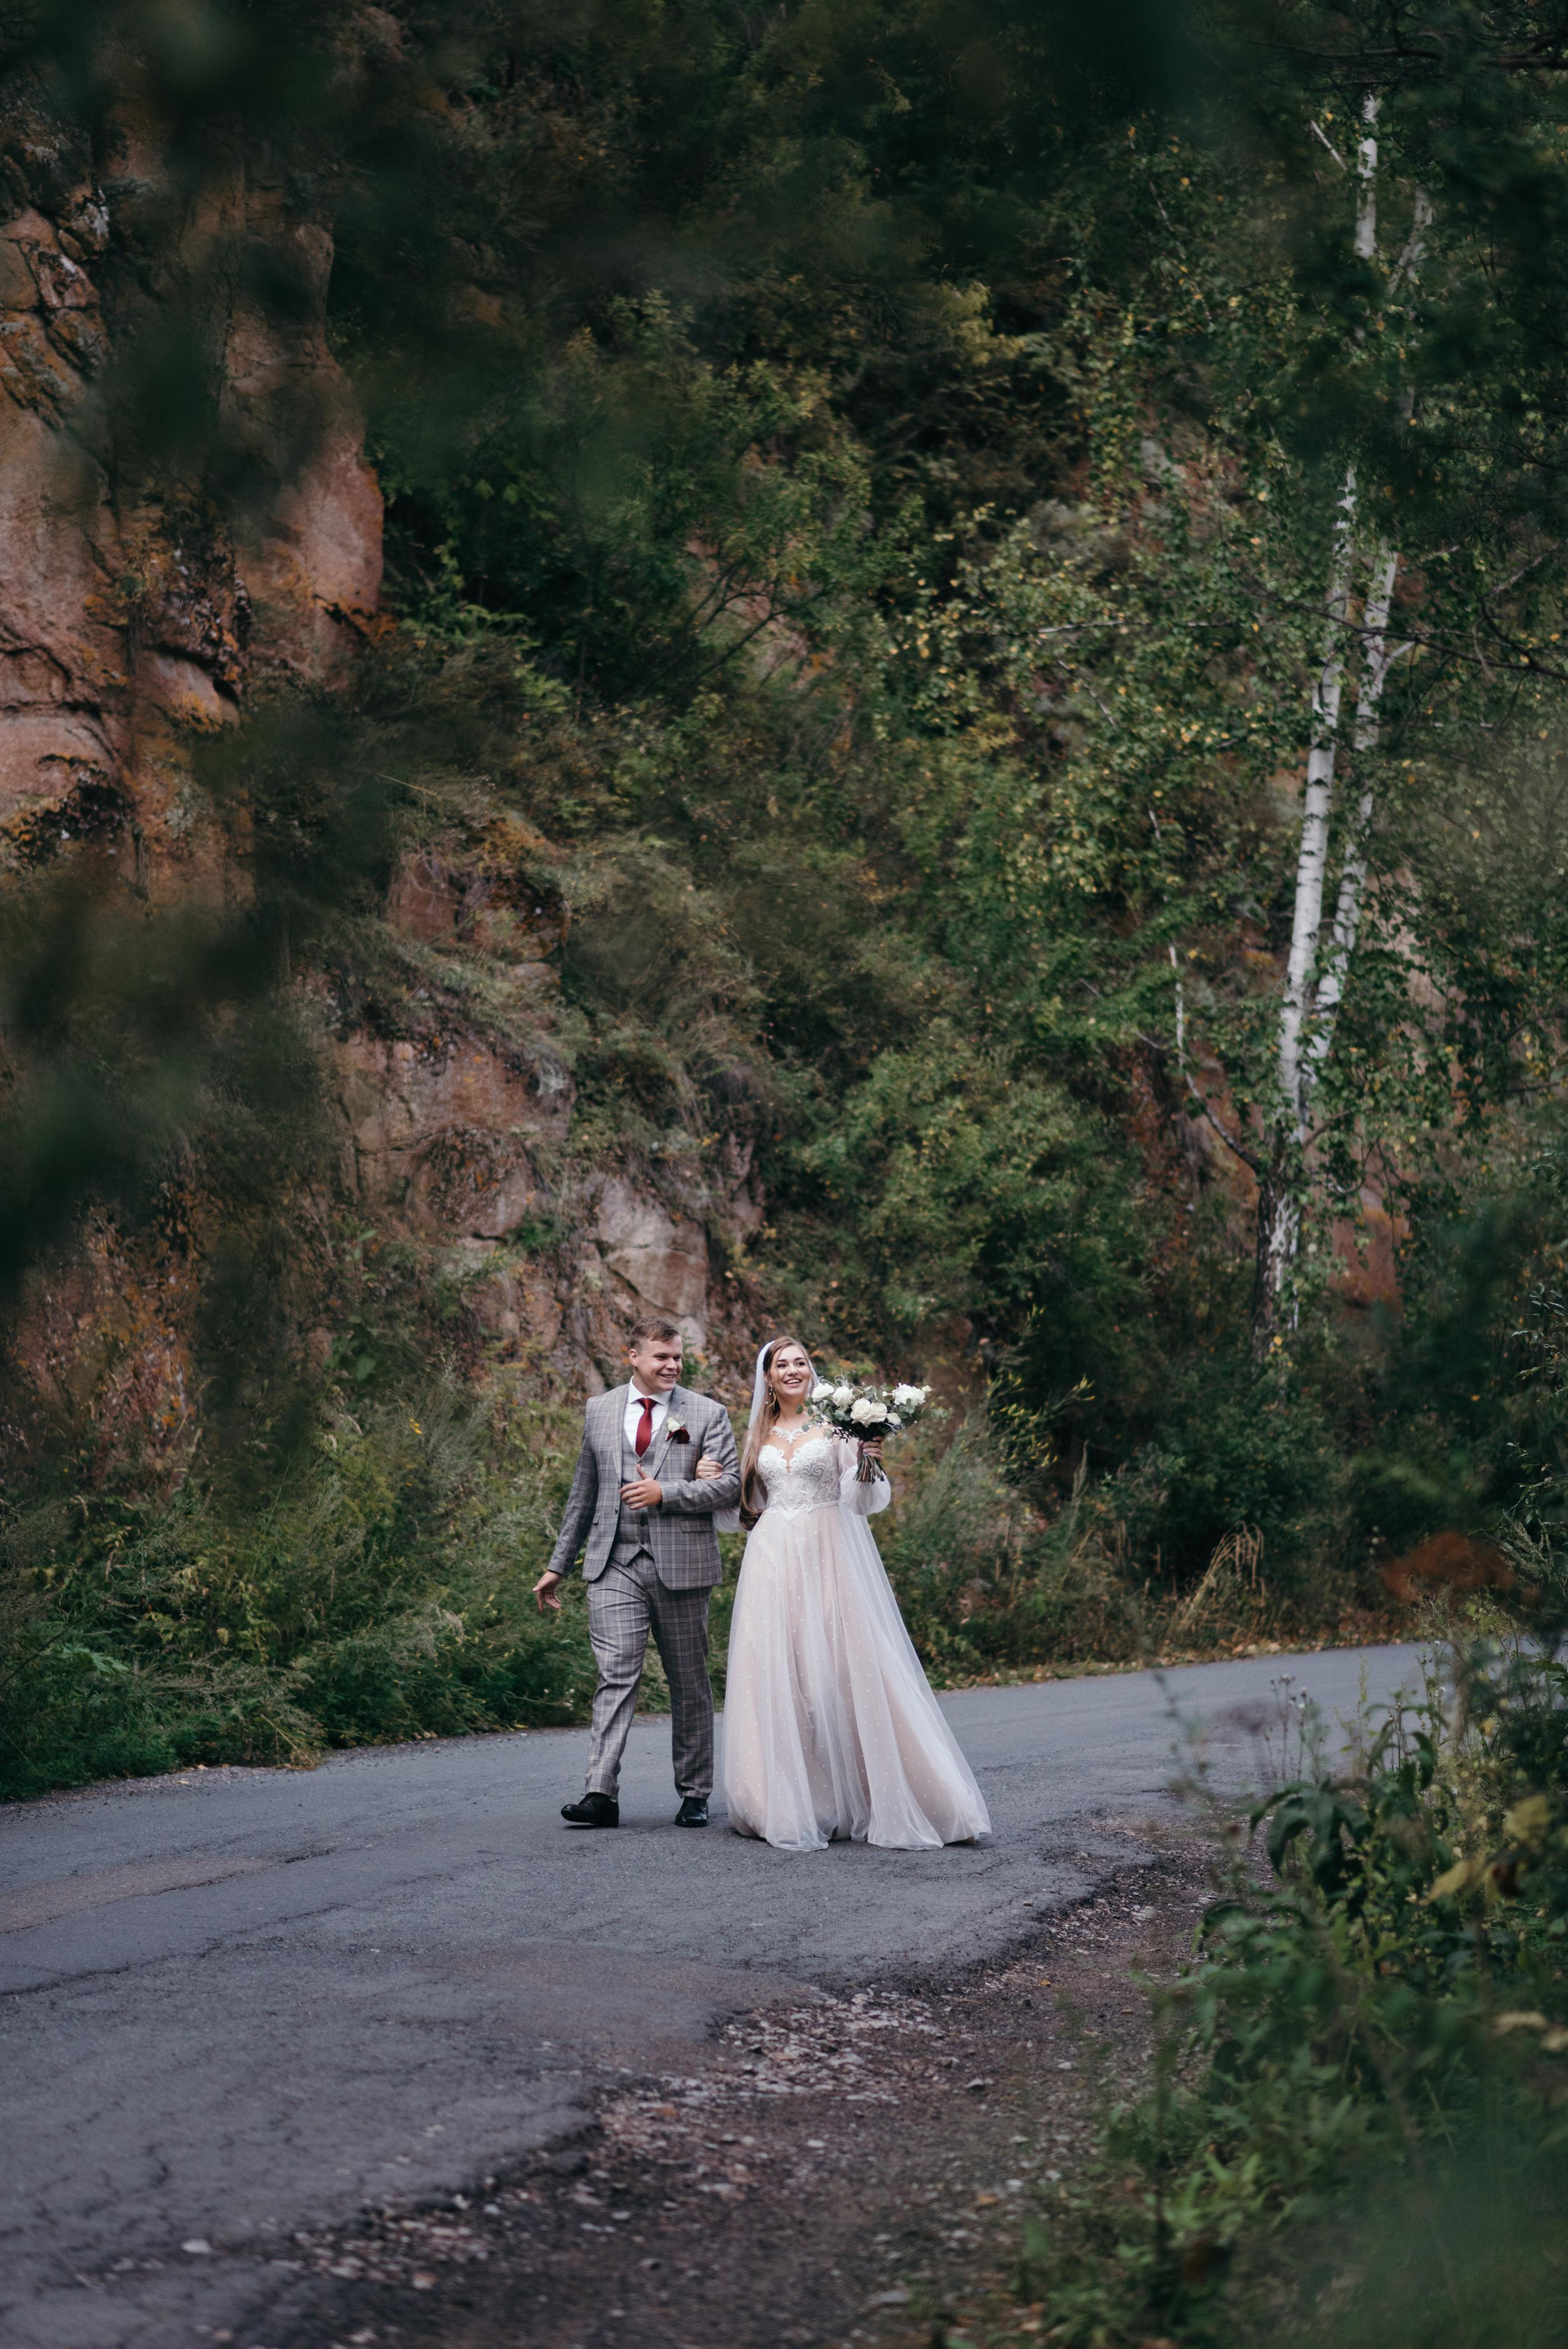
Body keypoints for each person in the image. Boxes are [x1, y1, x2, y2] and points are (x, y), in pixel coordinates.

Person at [699, 1336, 991, 1853]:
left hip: (829, 1551)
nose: (792, 1370)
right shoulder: (756, 1436)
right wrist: (711, 1477)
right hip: (771, 1559)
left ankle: (912, 1798)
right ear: (767, 1379)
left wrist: (867, 1460)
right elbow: (738, 1513)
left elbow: (862, 1501)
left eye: (801, 1362)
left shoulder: (837, 1427)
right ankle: (797, 1800)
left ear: (812, 1371)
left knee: (842, 1671)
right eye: (781, 1365)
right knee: (782, 1673)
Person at [534, 1314, 741, 1829]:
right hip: (613, 1562)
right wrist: (558, 1564)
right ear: (633, 1357)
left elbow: (731, 1486)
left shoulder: (708, 1413)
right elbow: (583, 1493)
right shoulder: (599, 1410)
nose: (672, 1365)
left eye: (677, 1358)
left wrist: (666, 1493)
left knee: (689, 1682)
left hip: (683, 1564)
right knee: (615, 1676)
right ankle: (600, 1793)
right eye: (661, 1357)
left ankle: (695, 1793)